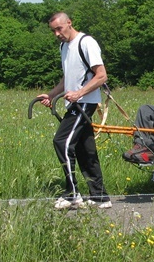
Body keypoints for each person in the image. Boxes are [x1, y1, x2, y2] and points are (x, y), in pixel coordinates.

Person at [39, 12, 112, 210]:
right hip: (74, 103)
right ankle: (100, 197)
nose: (56, 34)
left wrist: (79, 93)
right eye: (53, 30)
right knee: (85, 149)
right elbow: (66, 78)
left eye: (59, 29)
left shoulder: (86, 43)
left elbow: (101, 76)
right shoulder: (63, 47)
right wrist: (51, 95)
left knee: (61, 142)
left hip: (85, 102)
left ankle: (71, 194)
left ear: (69, 23)